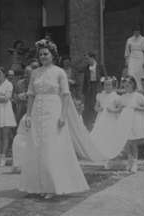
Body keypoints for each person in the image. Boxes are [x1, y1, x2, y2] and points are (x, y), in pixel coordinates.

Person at [18, 39, 89, 199]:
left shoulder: (59, 72)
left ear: (53, 55)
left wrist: (63, 115)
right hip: (37, 110)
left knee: (52, 146)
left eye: (46, 53)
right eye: (41, 54)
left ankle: (53, 185)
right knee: (37, 145)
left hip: (53, 110)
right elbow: (30, 95)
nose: (43, 56)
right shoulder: (35, 73)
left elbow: (65, 95)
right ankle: (37, 185)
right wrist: (28, 115)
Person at [116, 76, 144, 172]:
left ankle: (135, 162)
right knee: (126, 142)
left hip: (134, 120)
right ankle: (129, 159)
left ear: (133, 84)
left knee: (133, 142)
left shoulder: (138, 96)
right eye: (125, 83)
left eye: (129, 83)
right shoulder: (122, 97)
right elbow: (119, 109)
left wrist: (135, 107)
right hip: (125, 120)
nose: (127, 85)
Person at [90, 76, 122, 167]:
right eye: (105, 85)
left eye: (109, 85)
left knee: (110, 135)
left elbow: (120, 109)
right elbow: (95, 107)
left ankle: (110, 154)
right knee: (100, 133)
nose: (107, 87)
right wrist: (98, 109)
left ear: (113, 86)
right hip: (101, 117)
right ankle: (100, 153)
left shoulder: (116, 96)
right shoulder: (100, 95)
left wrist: (113, 110)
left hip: (111, 117)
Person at [0, 67, 17, 167]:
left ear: (4, 74)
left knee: (5, 135)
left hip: (5, 111)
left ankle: (4, 157)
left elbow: (6, 98)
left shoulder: (9, 84)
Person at [81, 52, 105, 130]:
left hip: (97, 87)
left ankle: (96, 123)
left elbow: (104, 76)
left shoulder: (100, 66)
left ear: (92, 58)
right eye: (86, 59)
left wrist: (101, 85)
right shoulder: (87, 67)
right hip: (89, 88)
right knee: (88, 105)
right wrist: (83, 92)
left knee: (96, 103)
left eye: (88, 58)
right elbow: (85, 80)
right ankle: (88, 124)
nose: (87, 60)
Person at [124, 24, 144, 90]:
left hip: (140, 58)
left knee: (140, 74)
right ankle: (132, 89)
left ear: (139, 32)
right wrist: (126, 61)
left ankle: (140, 89)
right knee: (131, 73)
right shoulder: (129, 40)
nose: (136, 33)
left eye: (137, 31)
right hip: (132, 58)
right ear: (133, 32)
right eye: (135, 31)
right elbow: (127, 52)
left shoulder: (143, 40)